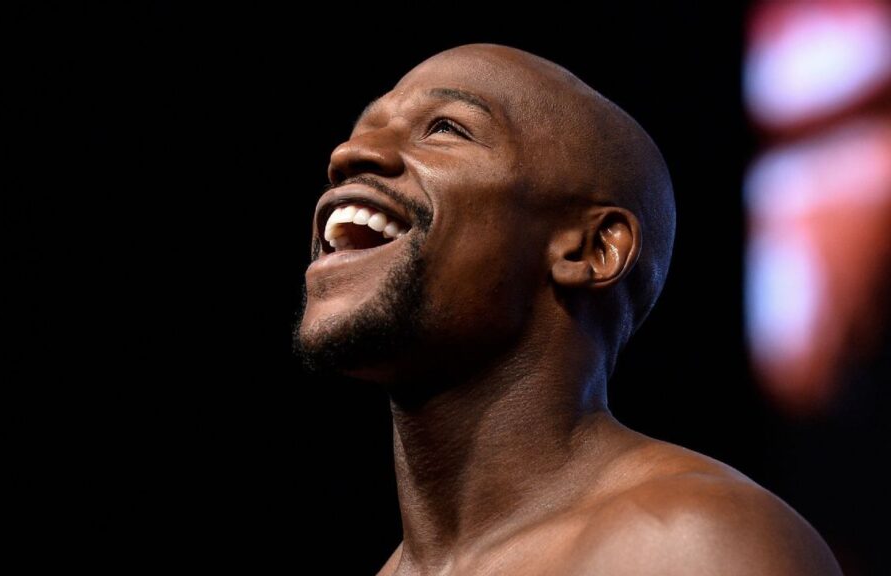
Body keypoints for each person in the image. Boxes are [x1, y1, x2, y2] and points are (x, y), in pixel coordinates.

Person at [296, 44, 842, 576]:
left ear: (591, 249)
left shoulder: (692, 541)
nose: (348, 154)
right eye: (363, 128)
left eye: (445, 128)